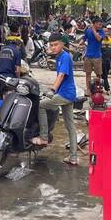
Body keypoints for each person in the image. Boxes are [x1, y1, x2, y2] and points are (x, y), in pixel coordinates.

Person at [31, 33, 78, 165]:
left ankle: (43, 137)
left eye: (56, 44)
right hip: (68, 94)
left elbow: (61, 75)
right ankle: (73, 157)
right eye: (51, 45)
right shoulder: (59, 57)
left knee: (40, 105)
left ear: (62, 44)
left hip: (65, 94)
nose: (53, 47)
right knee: (71, 127)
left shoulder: (65, 57)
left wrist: (52, 90)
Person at [0, 21, 23, 100]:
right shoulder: (17, 51)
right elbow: (17, 70)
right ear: (18, 44)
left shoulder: (2, 49)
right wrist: (18, 80)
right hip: (9, 79)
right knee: (10, 102)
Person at [82, 16, 105, 94]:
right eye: (99, 24)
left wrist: (94, 30)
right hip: (88, 55)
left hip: (97, 56)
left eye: (101, 24)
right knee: (88, 73)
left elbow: (98, 39)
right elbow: (84, 38)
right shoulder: (88, 31)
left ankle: (97, 88)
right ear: (94, 24)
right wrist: (79, 43)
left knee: (98, 74)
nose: (100, 26)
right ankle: (88, 89)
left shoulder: (102, 32)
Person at [100, 25, 111, 93]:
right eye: (105, 31)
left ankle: (102, 87)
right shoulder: (100, 39)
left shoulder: (110, 40)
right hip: (101, 59)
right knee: (104, 74)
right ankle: (107, 88)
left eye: (107, 31)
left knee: (104, 74)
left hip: (108, 59)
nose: (106, 32)